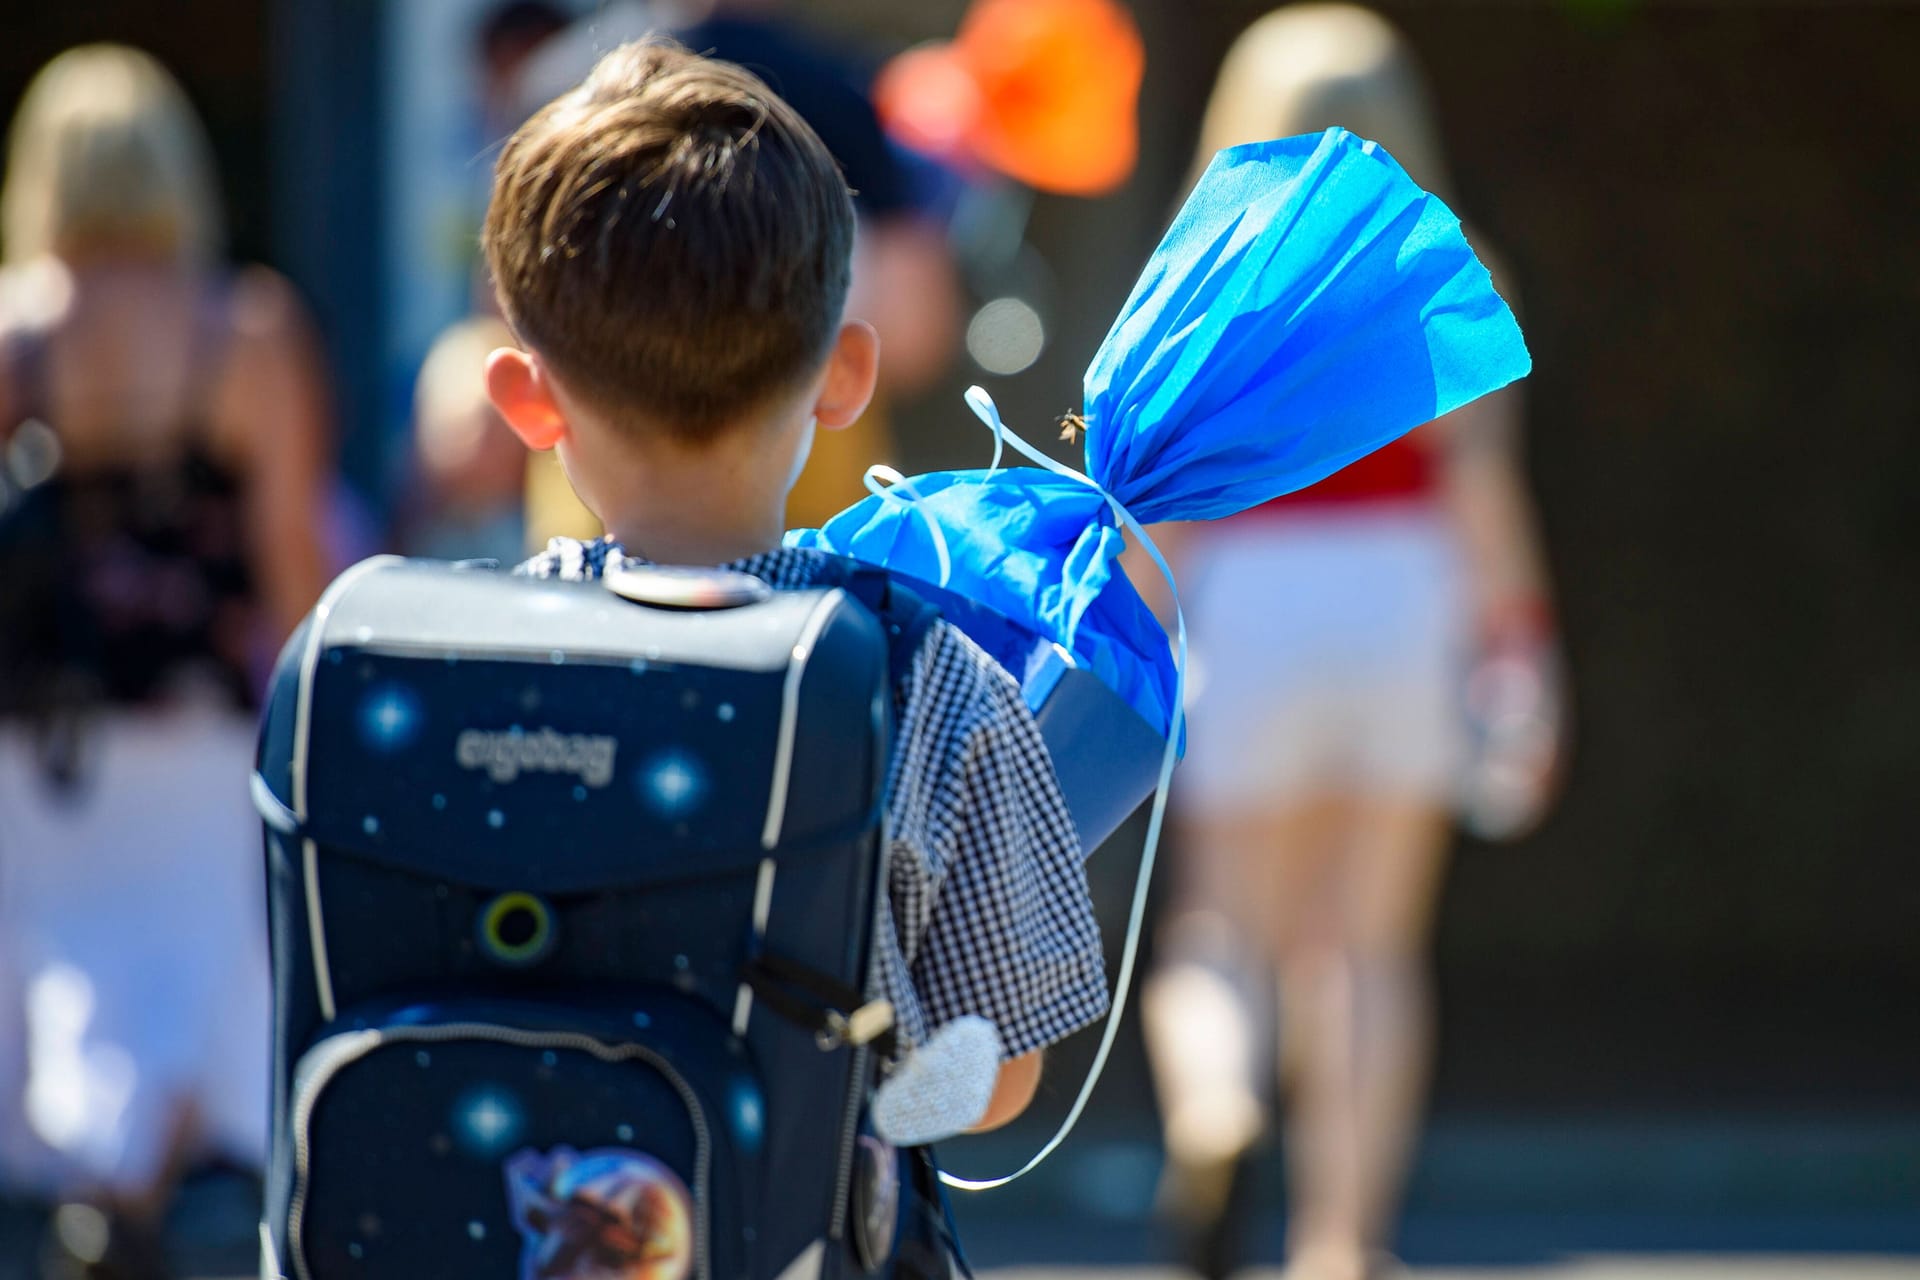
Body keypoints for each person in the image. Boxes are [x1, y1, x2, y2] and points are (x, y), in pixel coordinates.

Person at [482, 36, 1106, 1135]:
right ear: (845, 378)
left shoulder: (460, 651)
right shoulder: (930, 673)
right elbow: (1001, 1074)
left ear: (527, 402)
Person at [1138, 8, 1564, 1280]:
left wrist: (1133, 654)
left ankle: (1217, 1102)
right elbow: (1485, 493)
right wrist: (1524, 652)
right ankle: (1344, 1242)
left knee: (1221, 923)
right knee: (1370, 943)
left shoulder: (1207, 276)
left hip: (1252, 602)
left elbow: (1168, 508)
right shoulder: (1450, 264)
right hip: (1406, 596)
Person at [0, 45, 334, 1278]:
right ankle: (147, 1195)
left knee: (64, 970)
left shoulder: (15, 330)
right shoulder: (241, 330)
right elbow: (290, 555)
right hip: (196, 733)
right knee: (196, 980)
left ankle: (100, 1199)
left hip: (41, 740)